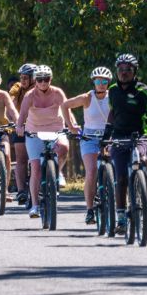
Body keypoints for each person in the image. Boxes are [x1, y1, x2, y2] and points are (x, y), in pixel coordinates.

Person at [104, 53, 147, 235]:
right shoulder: (112, 90)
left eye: (128, 70)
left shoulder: (143, 90)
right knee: (121, 178)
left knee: (141, 157)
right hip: (119, 136)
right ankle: (121, 218)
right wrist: (106, 133)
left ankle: (144, 183)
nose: (124, 73)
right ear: (117, 72)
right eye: (121, 70)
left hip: (140, 135)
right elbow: (112, 112)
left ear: (135, 72)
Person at [15, 65, 73, 218]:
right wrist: (20, 127)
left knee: (64, 147)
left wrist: (73, 126)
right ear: (35, 80)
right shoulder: (29, 95)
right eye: (39, 79)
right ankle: (34, 206)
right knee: (35, 168)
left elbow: (67, 111)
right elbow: (22, 116)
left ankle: (57, 171)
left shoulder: (57, 93)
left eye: (45, 79)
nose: (42, 82)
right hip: (34, 132)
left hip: (56, 130)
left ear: (50, 79)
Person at [62, 66, 113, 225]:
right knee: (91, 172)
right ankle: (90, 210)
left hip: (109, 138)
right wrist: (71, 125)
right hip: (89, 138)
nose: (101, 84)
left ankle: (116, 204)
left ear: (109, 82)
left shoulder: (113, 97)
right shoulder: (87, 98)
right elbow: (65, 105)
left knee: (117, 170)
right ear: (94, 82)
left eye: (104, 81)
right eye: (98, 81)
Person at [9, 63, 37, 205]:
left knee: (35, 159)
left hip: (38, 126)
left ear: (33, 78)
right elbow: (12, 103)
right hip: (22, 126)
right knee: (21, 159)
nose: (23, 80)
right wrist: (13, 119)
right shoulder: (17, 88)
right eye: (21, 77)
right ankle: (21, 191)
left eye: (26, 77)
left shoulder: (39, 87)